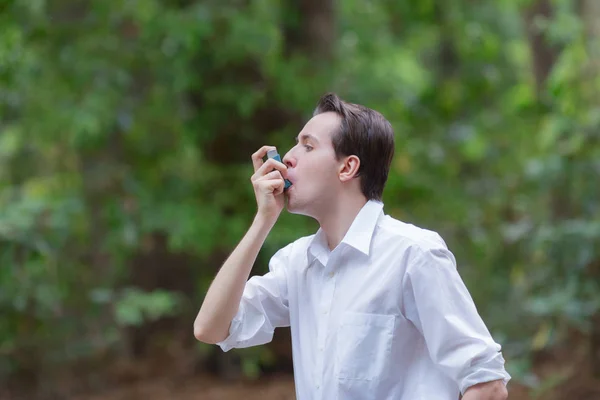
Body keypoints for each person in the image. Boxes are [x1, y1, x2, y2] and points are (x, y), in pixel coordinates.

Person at [194, 93, 510, 399]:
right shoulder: (297, 263)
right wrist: (262, 221)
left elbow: (487, 383)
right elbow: (211, 329)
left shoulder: (413, 254)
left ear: (347, 168)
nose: (288, 157)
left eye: (307, 146)